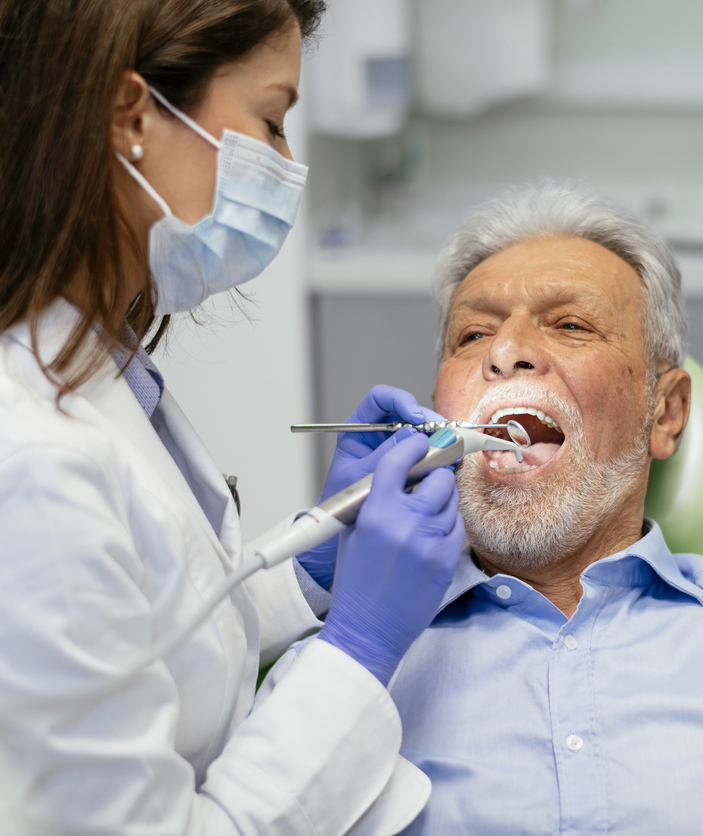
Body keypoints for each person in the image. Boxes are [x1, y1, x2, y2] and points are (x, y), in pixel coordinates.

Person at [0, 2, 464, 834]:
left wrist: (309, 570)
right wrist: (357, 650)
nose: (287, 164)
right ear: (132, 115)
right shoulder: (32, 460)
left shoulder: (102, 371)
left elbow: (147, 634)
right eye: (271, 122)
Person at [268, 180, 703, 834]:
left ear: (666, 411)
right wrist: (348, 657)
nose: (506, 352)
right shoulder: (335, 671)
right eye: (474, 335)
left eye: (570, 324)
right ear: (436, 415)